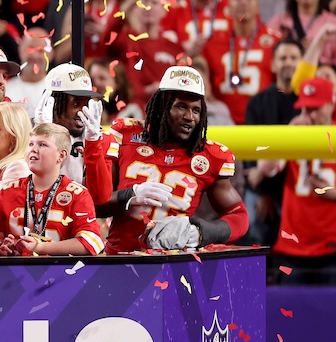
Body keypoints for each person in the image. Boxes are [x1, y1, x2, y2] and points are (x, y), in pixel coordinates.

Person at [97, 65, 249, 252]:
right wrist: (128, 196)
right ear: (163, 106)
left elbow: (239, 216)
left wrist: (201, 232)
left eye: (196, 110)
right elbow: (95, 204)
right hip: (121, 259)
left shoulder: (210, 155)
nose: (189, 117)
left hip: (176, 266)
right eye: (181, 107)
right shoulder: (126, 136)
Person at [253, 76, 336, 273]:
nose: (308, 115)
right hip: (293, 241)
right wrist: (288, 134)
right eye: (304, 108)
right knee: (289, 303)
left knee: (332, 303)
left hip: (333, 242)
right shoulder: (294, 135)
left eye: (314, 109)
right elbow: (265, 168)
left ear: (331, 105)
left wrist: (331, 193)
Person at [0, 123, 104, 257]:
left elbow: (90, 242)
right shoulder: (8, 191)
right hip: (14, 274)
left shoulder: (77, 194)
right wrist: (3, 252)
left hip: (60, 274)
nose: (33, 149)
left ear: (61, 155)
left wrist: (40, 247)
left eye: (42, 145)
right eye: (31, 144)